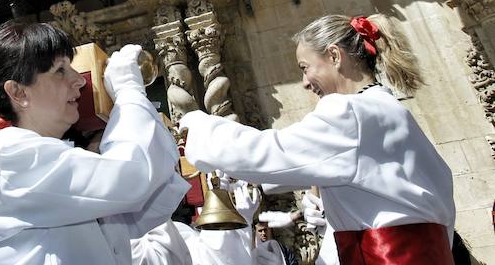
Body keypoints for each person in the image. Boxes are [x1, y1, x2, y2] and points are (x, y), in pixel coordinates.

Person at [180, 14, 456, 265]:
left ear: (334, 56)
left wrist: (199, 126)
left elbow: (273, 154)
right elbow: (286, 173)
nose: (304, 82)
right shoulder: (388, 110)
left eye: (305, 67)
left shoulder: (351, 113)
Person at [0, 22, 189, 264]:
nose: (79, 81)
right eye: (60, 70)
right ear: (19, 93)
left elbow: (143, 209)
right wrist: (129, 92)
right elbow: (131, 179)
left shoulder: (56, 155)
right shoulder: (6, 156)